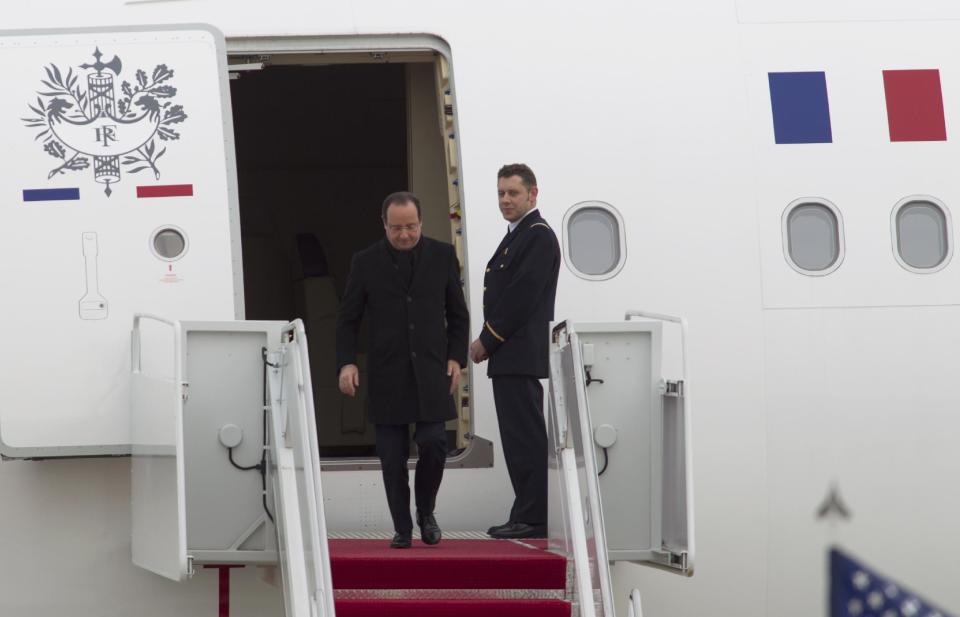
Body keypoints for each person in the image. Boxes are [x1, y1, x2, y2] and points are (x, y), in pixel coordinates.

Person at [337, 191, 469, 548]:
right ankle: (401, 527)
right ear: (384, 225)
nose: (404, 235)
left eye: (410, 227)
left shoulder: (442, 256)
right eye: (396, 228)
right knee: (392, 456)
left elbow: (458, 314)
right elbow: (348, 319)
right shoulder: (365, 262)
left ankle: (426, 512)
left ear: (421, 222)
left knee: (435, 443)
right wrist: (347, 362)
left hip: (431, 371)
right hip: (387, 373)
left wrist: (456, 357)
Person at [469, 164, 560, 539]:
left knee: (525, 437)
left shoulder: (537, 236)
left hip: (517, 353)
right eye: (501, 193)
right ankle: (524, 510)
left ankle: (533, 516)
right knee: (516, 436)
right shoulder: (517, 236)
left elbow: (521, 298)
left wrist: (486, 340)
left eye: (513, 193)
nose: (506, 199)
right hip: (512, 356)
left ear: (533, 194)